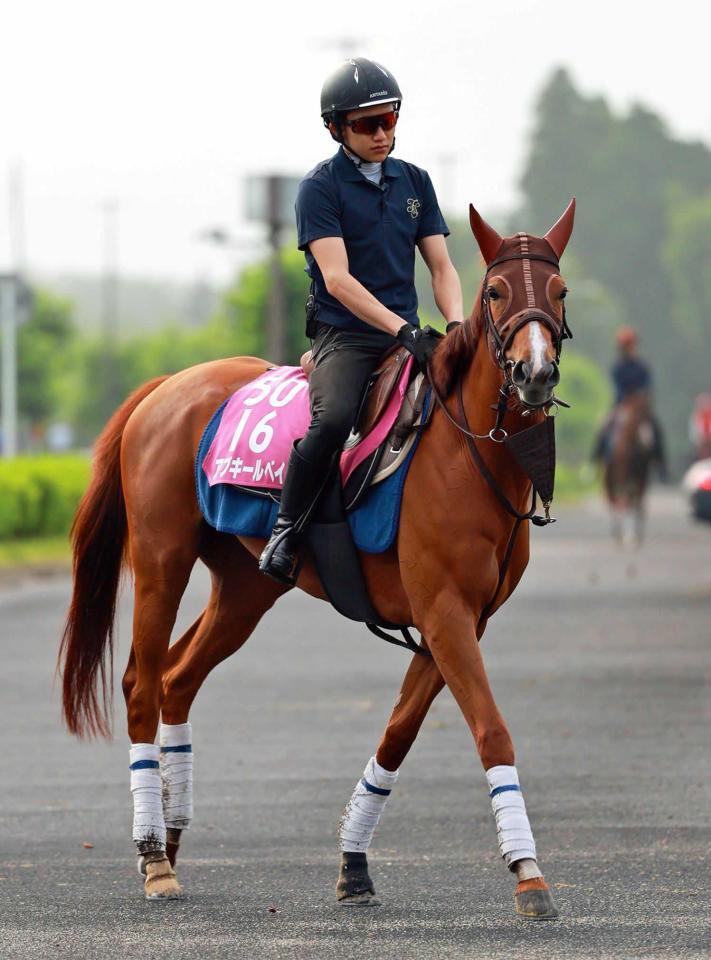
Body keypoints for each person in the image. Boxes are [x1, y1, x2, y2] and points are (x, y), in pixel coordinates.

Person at [259, 57, 464, 584]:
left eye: (389, 120)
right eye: (366, 125)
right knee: (330, 421)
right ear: (335, 128)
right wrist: (400, 328)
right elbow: (337, 280)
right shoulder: (319, 189)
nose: (381, 134)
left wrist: (458, 326)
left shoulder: (415, 181)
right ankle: (286, 529)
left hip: (411, 336)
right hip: (346, 336)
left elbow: (441, 266)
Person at [592, 326, 666, 471]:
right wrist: (624, 400)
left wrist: (641, 398)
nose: (627, 349)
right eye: (624, 346)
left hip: (640, 406)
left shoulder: (642, 366)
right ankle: (595, 462)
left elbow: (647, 386)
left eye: (629, 345)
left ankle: (660, 465)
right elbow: (617, 387)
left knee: (655, 428)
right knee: (604, 427)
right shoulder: (617, 367)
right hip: (621, 404)